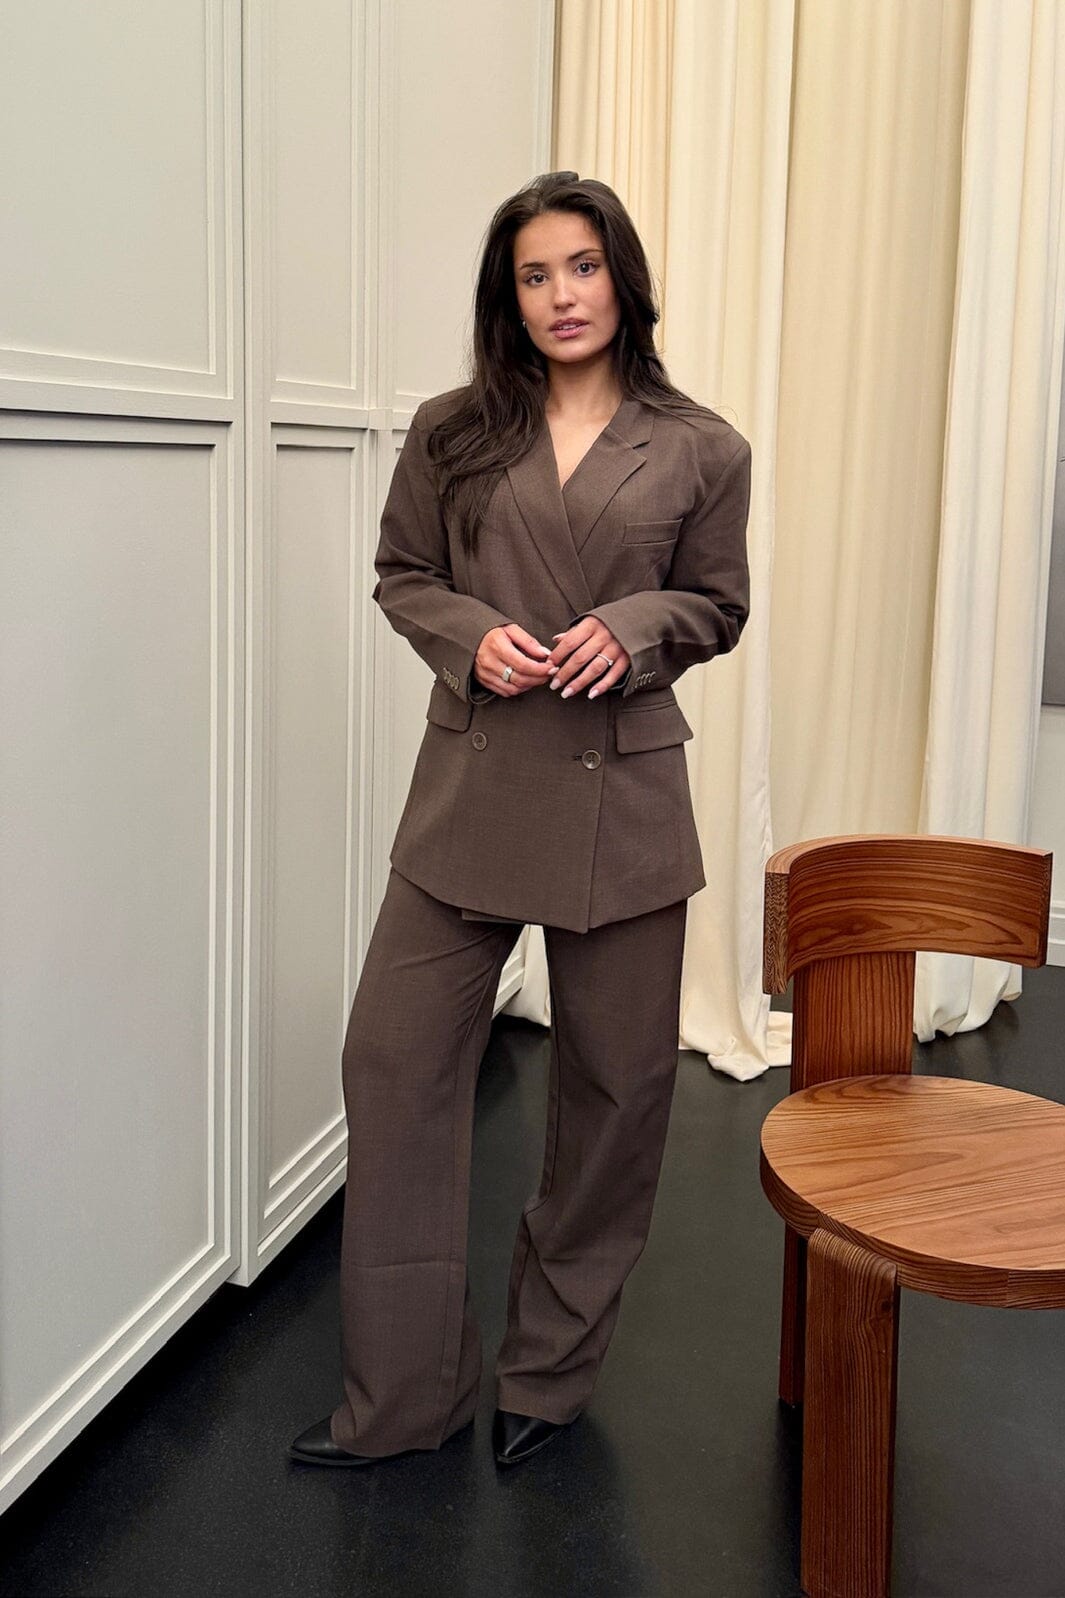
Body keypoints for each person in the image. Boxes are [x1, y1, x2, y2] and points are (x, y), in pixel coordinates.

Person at [289, 170, 751, 1469]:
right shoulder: (452, 431)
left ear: (624, 279)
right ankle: (406, 1395)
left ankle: (547, 1372)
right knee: (391, 1064)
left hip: (623, 799)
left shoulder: (703, 447)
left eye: (583, 266)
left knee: (615, 1096)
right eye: (535, 274)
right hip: (475, 788)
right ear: (510, 295)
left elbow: (715, 604)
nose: (562, 294)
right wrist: (469, 635)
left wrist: (637, 625)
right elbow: (404, 575)